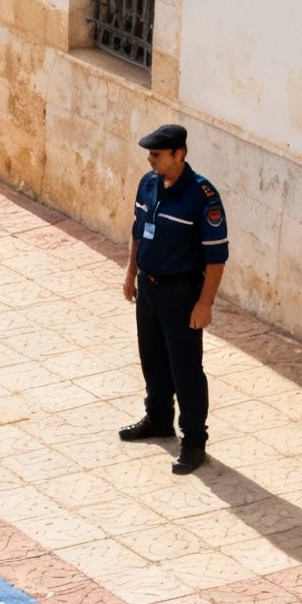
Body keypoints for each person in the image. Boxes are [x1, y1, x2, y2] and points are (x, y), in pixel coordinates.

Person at [118, 124, 227, 475]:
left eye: (156, 155)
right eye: (150, 155)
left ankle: (194, 440)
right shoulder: (148, 184)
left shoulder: (202, 195)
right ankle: (158, 417)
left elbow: (216, 256)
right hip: (149, 287)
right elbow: (138, 230)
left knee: (186, 369)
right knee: (151, 357)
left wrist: (205, 303)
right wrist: (131, 272)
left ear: (179, 155)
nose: (151, 161)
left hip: (181, 293)